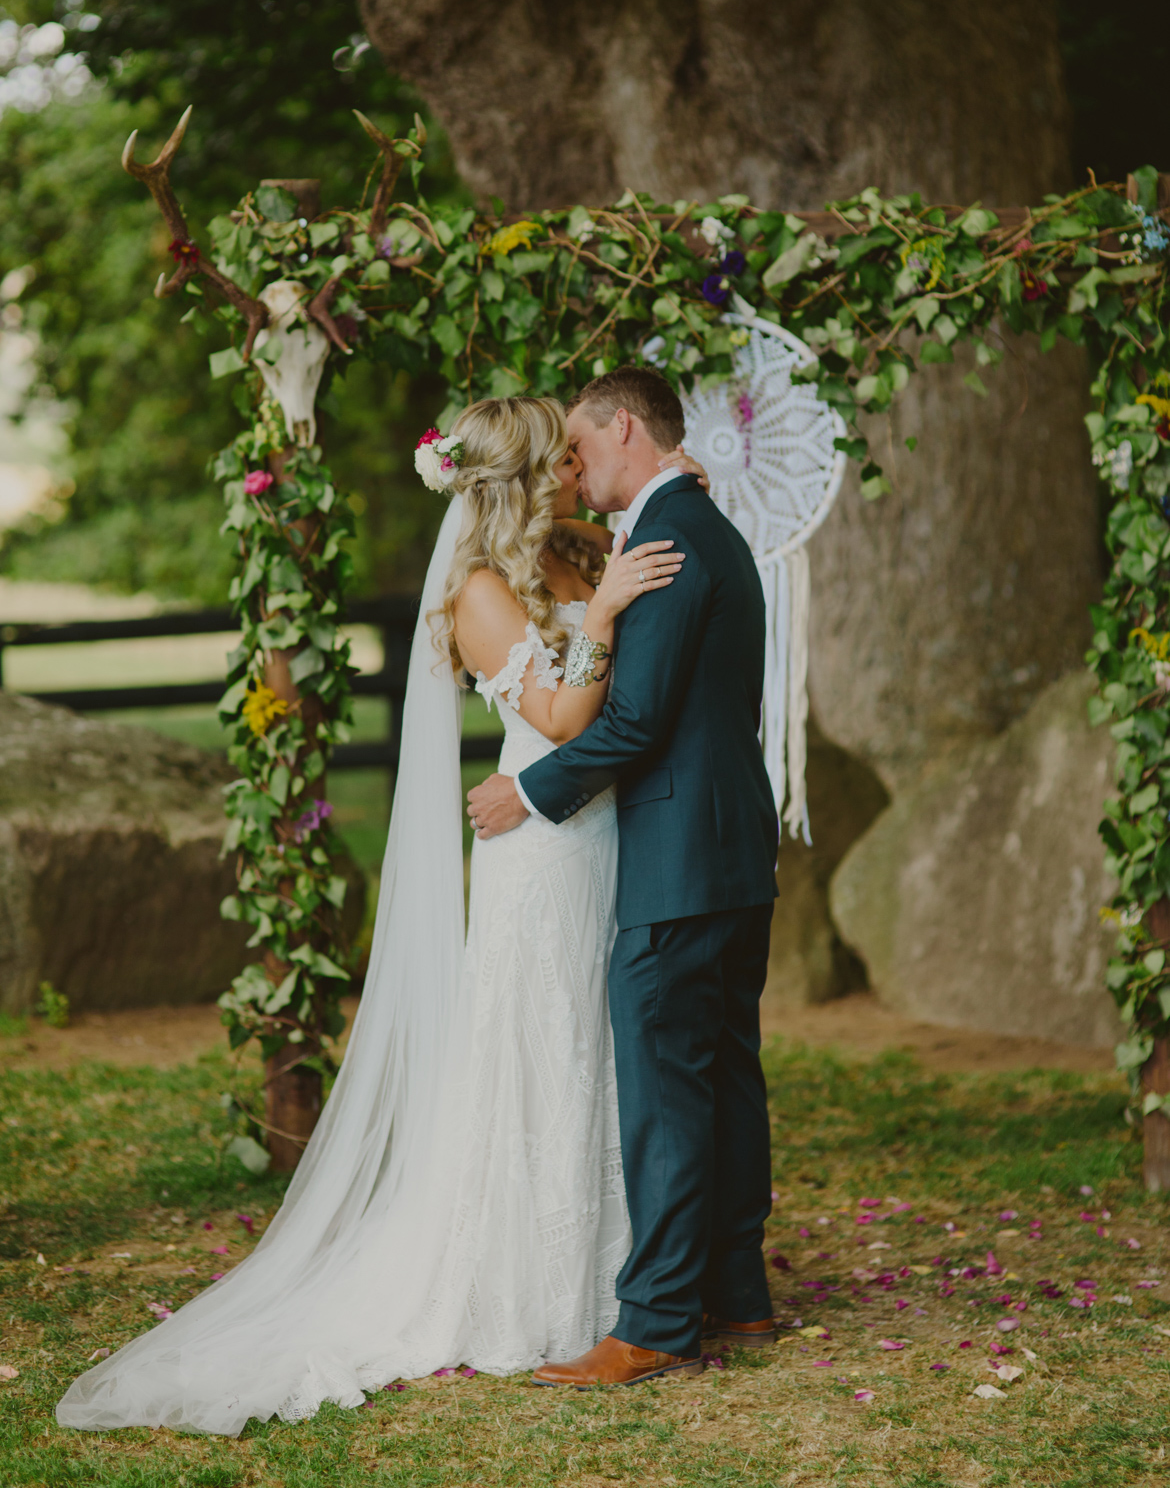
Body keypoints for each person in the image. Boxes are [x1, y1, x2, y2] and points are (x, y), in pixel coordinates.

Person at [56, 394, 700, 1436]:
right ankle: (532, 1291)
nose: (580, 472)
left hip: (601, 839)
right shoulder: (482, 594)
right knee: (540, 1050)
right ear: (528, 476)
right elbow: (560, 716)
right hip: (538, 850)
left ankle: (625, 1274)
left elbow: (631, 535)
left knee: (595, 1044)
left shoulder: (569, 553)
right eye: (562, 460)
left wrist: (656, 517)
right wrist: (610, 617)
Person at [469, 365, 780, 1388]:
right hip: (733, 849)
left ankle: (651, 1322)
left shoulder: (666, 540)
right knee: (726, 1072)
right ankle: (735, 1293)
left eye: (584, 443)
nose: (574, 463)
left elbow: (639, 721)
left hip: (680, 860)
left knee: (664, 1088)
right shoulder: (701, 527)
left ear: (626, 427)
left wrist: (534, 791)